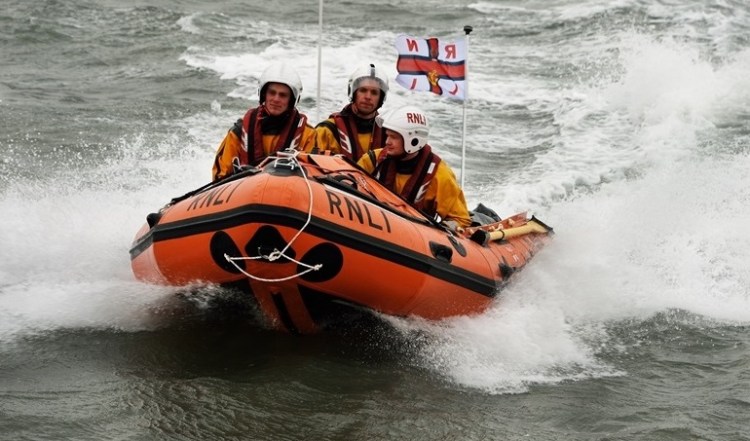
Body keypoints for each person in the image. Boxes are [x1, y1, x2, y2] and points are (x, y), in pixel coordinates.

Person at [357, 105, 471, 229]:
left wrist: (441, 229)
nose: (387, 142)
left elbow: (460, 219)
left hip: (414, 233)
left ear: (413, 140)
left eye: (394, 137)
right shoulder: (373, 160)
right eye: (387, 135)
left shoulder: (440, 175)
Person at [211, 62, 316, 181]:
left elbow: (314, 177)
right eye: (272, 93)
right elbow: (220, 176)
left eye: (283, 95)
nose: (276, 99)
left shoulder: (307, 135)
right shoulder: (238, 132)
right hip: (245, 189)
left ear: (292, 100)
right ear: (263, 94)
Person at [314, 63, 389, 162]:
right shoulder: (327, 130)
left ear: (381, 98)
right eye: (363, 90)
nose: (368, 97)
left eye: (374, 92)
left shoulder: (389, 134)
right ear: (353, 93)